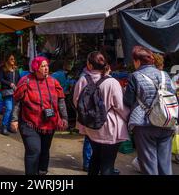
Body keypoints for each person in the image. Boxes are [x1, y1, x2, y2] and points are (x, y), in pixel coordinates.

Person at [73, 51, 129, 176]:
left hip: (91, 128)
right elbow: (120, 106)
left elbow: (76, 102)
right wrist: (129, 119)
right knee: (108, 165)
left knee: (95, 158)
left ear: (90, 65)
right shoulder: (112, 82)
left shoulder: (83, 80)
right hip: (110, 129)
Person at [10, 56, 68, 175]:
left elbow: (61, 100)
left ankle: (42, 172)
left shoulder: (53, 82)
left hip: (49, 123)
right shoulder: (26, 81)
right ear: (36, 68)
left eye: (47, 65)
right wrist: (14, 119)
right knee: (34, 150)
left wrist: (64, 118)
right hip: (29, 123)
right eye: (43, 66)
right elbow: (17, 102)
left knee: (44, 150)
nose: (46, 68)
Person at [124, 45, 176, 175]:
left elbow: (128, 101)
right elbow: (172, 95)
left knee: (149, 165)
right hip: (166, 122)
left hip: (144, 124)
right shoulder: (165, 75)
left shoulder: (134, 76)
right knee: (165, 164)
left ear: (137, 61)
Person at [0, 54, 20, 135]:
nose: (13, 60)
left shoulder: (16, 69)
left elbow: (19, 79)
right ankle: (3, 127)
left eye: (14, 59)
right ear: (7, 60)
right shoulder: (2, 68)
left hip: (15, 92)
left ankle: (8, 127)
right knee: (9, 109)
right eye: (11, 59)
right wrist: (9, 84)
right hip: (6, 91)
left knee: (13, 110)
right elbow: (0, 79)